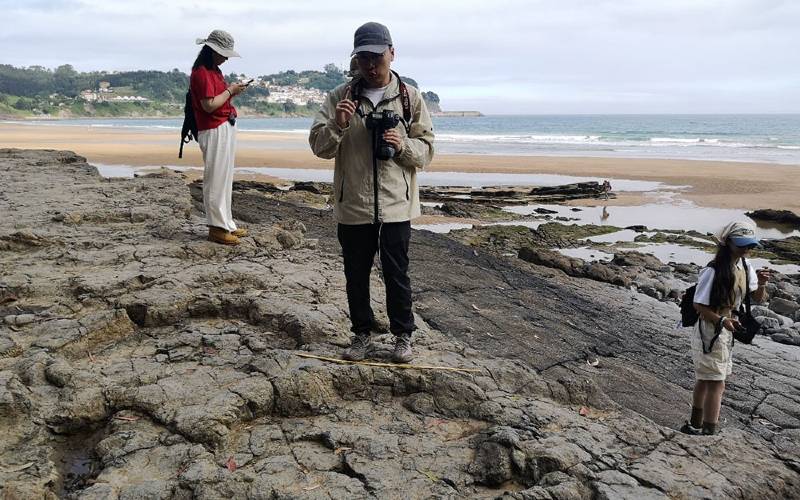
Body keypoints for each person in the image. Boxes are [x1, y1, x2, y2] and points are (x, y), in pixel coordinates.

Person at [309, 22, 435, 363]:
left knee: (397, 273)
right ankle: (361, 335)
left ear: (392, 53)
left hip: (397, 205)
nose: (370, 65)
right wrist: (337, 124)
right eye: (363, 57)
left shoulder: (410, 98)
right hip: (353, 204)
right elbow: (319, 148)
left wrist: (402, 145)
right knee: (356, 274)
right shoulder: (339, 97)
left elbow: (427, 151)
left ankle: (403, 337)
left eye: (377, 57)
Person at [681, 220, 771, 435]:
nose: (747, 249)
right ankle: (708, 431)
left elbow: (758, 298)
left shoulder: (745, 266)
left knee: (705, 379)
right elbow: (699, 305)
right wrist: (722, 321)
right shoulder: (713, 271)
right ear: (728, 243)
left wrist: (762, 283)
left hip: (726, 328)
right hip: (710, 331)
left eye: (750, 245)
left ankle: (695, 424)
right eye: (742, 244)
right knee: (717, 383)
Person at [190, 30, 249, 245]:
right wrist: (231, 91)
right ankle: (216, 228)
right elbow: (209, 105)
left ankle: (226, 223)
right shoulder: (202, 73)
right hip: (213, 127)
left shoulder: (213, 71)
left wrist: (231, 91)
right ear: (213, 51)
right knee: (216, 179)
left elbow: (216, 101)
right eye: (224, 54)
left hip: (223, 125)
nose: (226, 58)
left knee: (224, 178)